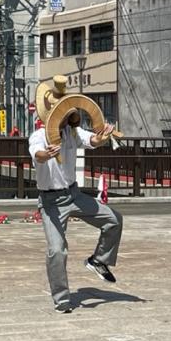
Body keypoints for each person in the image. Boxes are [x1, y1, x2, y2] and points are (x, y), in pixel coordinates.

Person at [29, 111, 123, 313]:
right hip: (51, 201)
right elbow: (37, 154)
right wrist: (48, 153)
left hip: (73, 195)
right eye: (61, 114)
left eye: (67, 115)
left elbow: (93, 139)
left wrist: (103, 137)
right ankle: (62, 300)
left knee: (114, 220)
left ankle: (99, 260)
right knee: (56, 249)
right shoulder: (39, 135)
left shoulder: (72, 133)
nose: (64, 119)